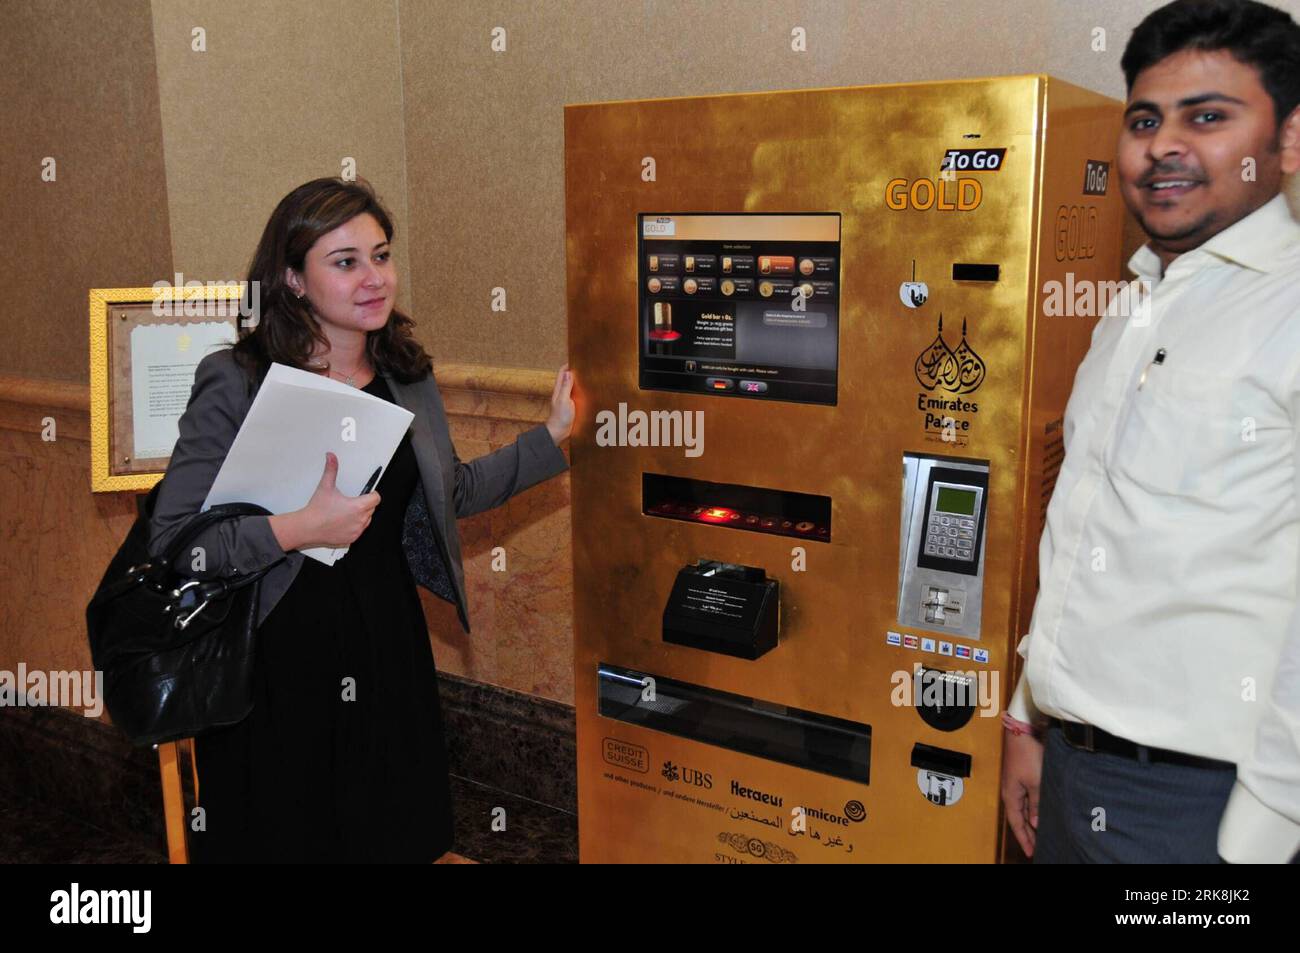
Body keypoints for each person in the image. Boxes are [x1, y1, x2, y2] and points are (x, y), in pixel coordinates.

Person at [147, 177, 575, 862]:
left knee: (388, 828)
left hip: (385, 646)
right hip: (273, 661)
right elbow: (175, 544)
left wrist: (550, 437)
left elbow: (450, 492)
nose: (374, 278)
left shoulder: (406, 372)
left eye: (381, 255)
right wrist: (297, 528)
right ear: (291, 278)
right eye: (345, 262)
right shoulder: (236, 379)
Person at [1000, 0, 1300, 864]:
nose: (1164, 145)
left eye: (1208, 116)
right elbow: (1087, 539)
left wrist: (1258, 837)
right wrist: (1029, 717)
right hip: (1073, 770)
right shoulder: (1131, 310)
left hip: (1204, 803)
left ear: (1286, 142)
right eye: (1144, 119)